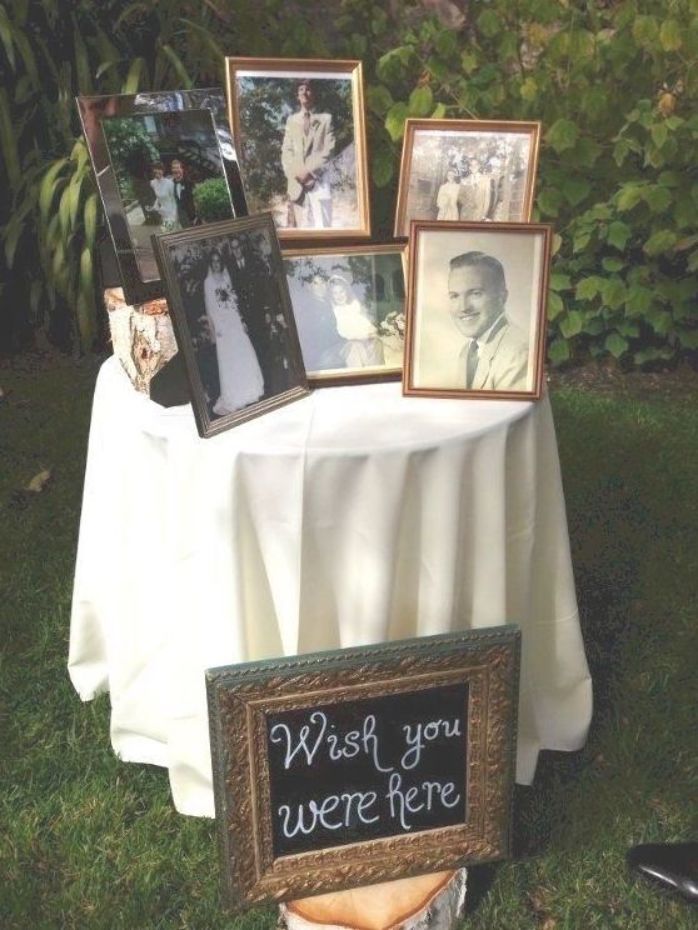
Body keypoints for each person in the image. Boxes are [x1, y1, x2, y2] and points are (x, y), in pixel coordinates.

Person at [446, 251, 528, 391]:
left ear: (502, 297)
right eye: (454, 296)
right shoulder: (467, 352)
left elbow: (510, 412)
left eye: (475, 293)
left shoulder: (518, 353)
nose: (464, 307)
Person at [203, 249, 264, 415]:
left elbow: (233, 299)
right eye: (213, 261)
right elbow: (211, 307)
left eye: (218, 261)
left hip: (234, 320)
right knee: (230, 358)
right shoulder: (208, 282)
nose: (216, 264)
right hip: (223, 326)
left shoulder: (226, 276)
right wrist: (217, 328)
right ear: (210, 263)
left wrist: (241, 320)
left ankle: (250, 389)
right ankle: (235, 394)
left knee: (243, 352)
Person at [281, 79, 335, 229]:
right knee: (298, 236)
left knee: (323, 232)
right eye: (301, 90)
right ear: (297, 96)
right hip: (296, 187)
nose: (304, 92)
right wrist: (295, 173)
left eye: (308, 89)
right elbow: (286, 151)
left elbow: (329, 150)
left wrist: (310, 172)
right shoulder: (291, 121)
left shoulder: (326, 119)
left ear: (314, 94)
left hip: (319, 184)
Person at [327, 273, 384, 368]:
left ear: (347, 292)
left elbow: (365, 324)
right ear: (331, 296)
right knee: (358, 347)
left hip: (362, 338)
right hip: (348, 341)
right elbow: (342, 332)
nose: (339, 296)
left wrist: (370, 333)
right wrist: (362, 337)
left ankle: (377, 375)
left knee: (377, 343)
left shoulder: (353, 306)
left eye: (342, 291)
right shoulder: (335, 311)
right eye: (335, 293)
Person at [293, 272, 347, 370]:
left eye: (322, 282)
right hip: (321, 356)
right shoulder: (310, 308)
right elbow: (321, 337)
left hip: (330, 349)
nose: (320, 286)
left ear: (326, 284)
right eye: (315, 283)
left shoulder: (327, 303)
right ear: (309, 287)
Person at [148, 163, 179, 230]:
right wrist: (154, 206)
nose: (157, 174)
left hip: (171, 211)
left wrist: (174, 214)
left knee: (169, 232)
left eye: (159, 171)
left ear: (162, 171)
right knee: (167, 233)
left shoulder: (169, 183)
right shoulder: (153, 183)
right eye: (155, 172)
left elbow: (173, 199)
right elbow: (158, 197)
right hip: (163, 212)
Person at [171, 158, 197, 227]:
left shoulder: (189, 183)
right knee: (167, 231)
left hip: (192, 218)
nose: (175, 170)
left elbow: (196, 200)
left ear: (182, 169)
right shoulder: (170, 184)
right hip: (177, 217)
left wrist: (196, 217)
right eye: (173, 168)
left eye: (177, 167)